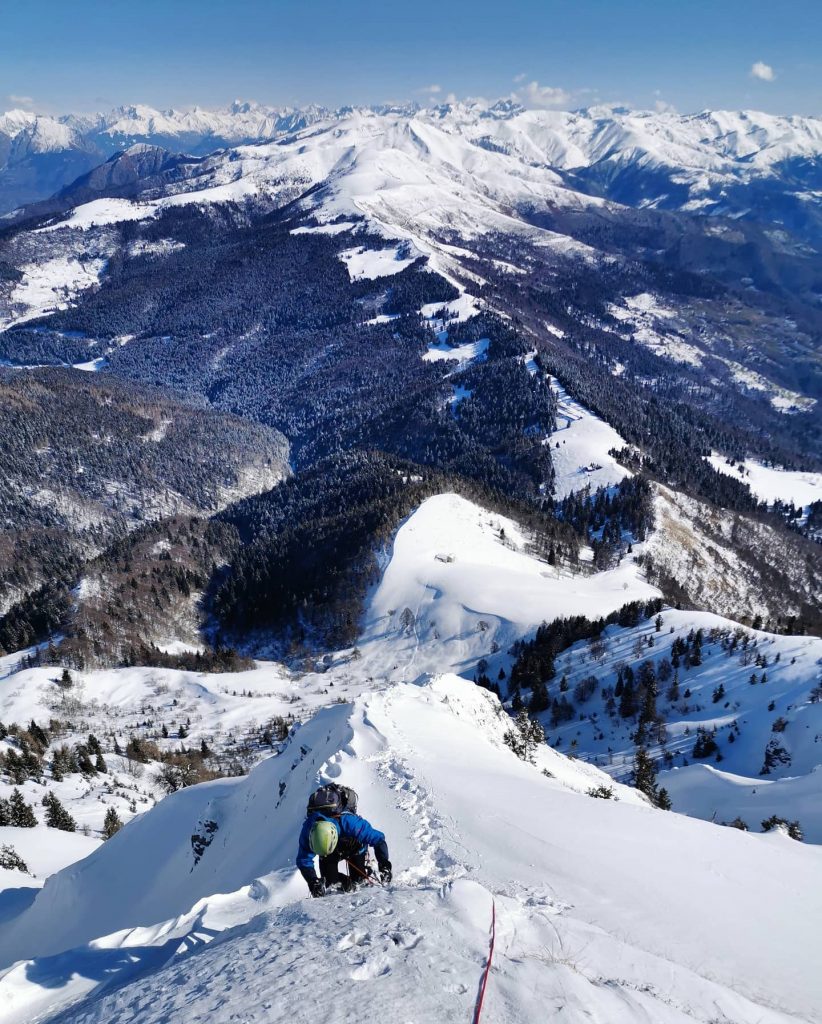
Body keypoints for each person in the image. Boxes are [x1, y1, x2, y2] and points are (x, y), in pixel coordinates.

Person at [296, 785, 392, 897]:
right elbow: (303, 859)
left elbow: (378, 839)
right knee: (332, 885)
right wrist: (313, 882)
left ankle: (367, 872)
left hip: (355, 847)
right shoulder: (308, 831)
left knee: (359, 882)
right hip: (329, 855)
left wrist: (385, 865)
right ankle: (347, 883)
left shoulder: (350, 823)